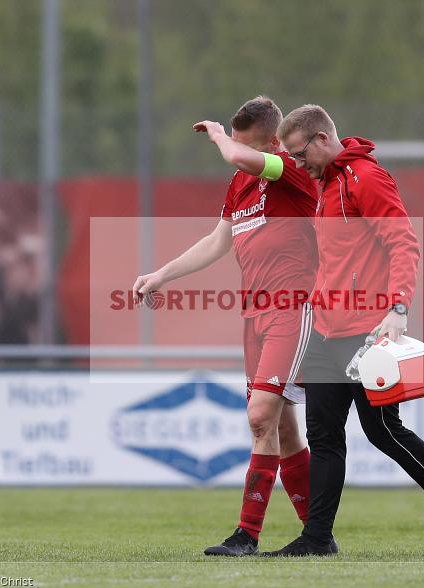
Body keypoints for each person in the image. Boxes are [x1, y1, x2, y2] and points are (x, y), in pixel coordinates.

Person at [266, 104, 424, 557]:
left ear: (323, 140)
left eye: (300, 153)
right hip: (326, 331)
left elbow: (403, 241)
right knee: (324, 437)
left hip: (366, 332)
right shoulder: (323, 181)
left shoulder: (366, 178)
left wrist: (398, 307)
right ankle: (317, 539)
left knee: (384, 432)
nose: (297, 164)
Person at [133, 96, 321, 556]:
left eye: (244, 147)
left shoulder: (283, 167)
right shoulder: (240, 183)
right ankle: (317, 535)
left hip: (291, 308)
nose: (236, 156)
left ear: (272, 144)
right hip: (254, 314)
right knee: (284, 429)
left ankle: (247, 535)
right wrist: (160, 275)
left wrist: (218, 135)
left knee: (260, 418)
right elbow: (217, 242)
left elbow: (238, 155)